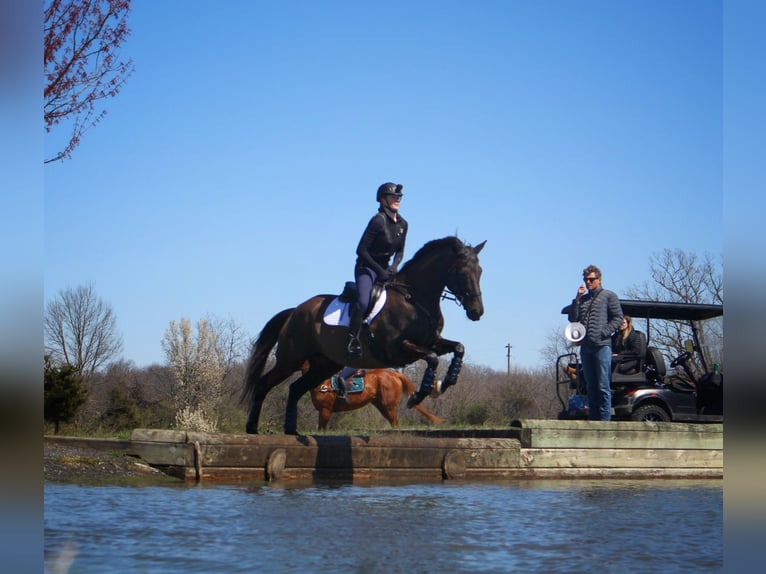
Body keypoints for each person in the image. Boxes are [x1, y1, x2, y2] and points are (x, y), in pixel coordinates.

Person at [336, 182, 408, 400]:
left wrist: (394, 269)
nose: (397, 199)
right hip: (367, 268)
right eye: (393, 196)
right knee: (364, 303)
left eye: (399, 197)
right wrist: (378, 270)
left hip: (386, 270)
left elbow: (400, 253)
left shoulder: (403, 224)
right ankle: (352, 340)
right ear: (382, 200)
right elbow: (361, 250)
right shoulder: (377, 221)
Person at [567, 265, 623, 421]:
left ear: (599, 279)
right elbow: (573, 318)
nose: (588, 282)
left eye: (591, 279)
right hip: (586, 348)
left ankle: (605, 422)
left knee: (602, 386)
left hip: (602, 346)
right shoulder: (583, 299)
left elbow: (618, 318)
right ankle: (594, 421)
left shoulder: (609, 296)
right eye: (586, 279)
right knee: (590, 387)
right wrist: (577, 299)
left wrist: (604, 332)